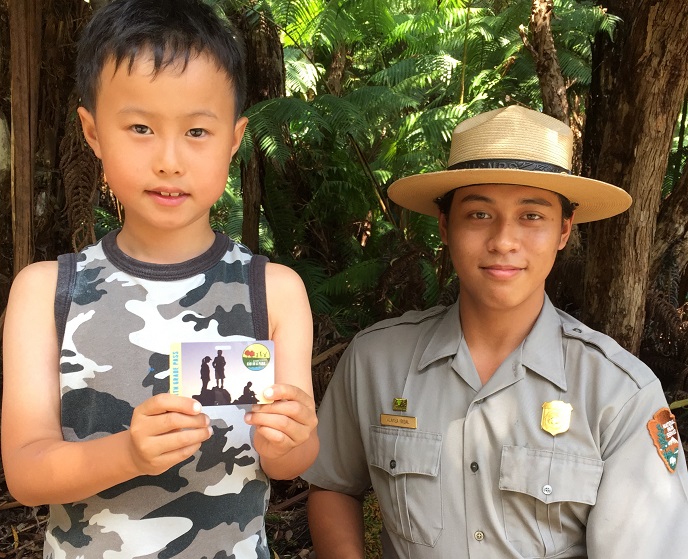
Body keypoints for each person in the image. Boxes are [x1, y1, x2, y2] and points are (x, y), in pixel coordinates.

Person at [1, 1, 318, 557]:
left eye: (197, 130)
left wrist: (291, 436)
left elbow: (288, 463)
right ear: (92, 132)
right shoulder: (46, 292)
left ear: (235, 137)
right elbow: (26, 473)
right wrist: (129, 453)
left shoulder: (274, 291)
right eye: (141, 127)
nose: (170, 160)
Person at [302, 105, 688, 558]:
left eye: (532, 216)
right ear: (445, 226)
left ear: (564, 230)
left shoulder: (619, 393)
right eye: (480, 215)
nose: (504, 240)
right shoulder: (376, 361)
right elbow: (333, 486)